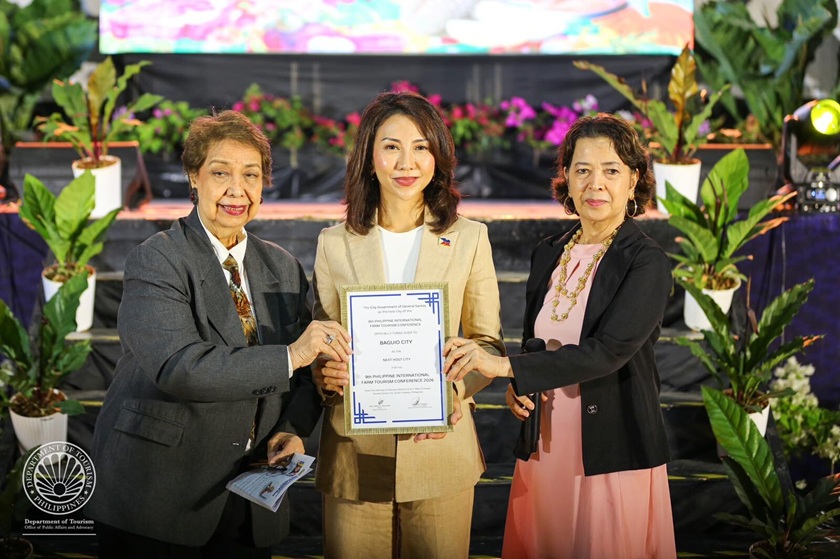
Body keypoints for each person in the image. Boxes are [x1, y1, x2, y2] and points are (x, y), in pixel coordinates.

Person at [85, 110, 351, 558]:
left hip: (250, 500)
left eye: (251, 175)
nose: (236, 189)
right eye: (221, 172)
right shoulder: (158, 260)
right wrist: (291, 355)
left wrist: (291, 430)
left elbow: (304, 376)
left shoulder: (282, 266)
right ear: (194, 177)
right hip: (160, 496)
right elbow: (181, 368)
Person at [444, 113, 677, 558]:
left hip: (610, 447)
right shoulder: (549, 252)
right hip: (546, 443)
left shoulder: (646, 261)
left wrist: (506, 366)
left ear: (633, 181)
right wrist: (519, 385)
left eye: (611, 171)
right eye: (582, 170)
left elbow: (607, 352)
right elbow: (536, 344)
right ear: (566, 177)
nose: (595, 184)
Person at [311, 90, 505, 559]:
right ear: (368, 157)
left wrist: (452, 392)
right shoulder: (334, 243)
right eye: (391, 147)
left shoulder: (469, 238)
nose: (407, 162)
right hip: (356, 457)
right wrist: (326, 374)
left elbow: (488, 345)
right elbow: (323, 345)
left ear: (437, 156)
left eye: (420, 147)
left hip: (440, 454)